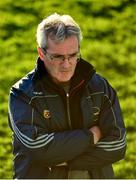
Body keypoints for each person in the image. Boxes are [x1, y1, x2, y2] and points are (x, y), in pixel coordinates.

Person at [8, 13, 126, 179]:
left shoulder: (100, 87)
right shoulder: (22, 95)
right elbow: (39, 149)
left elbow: (117, 144)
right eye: (58, 57)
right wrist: (91, 136)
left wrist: (67, 162)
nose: (67, 64)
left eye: (72, 55)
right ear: (41, 53)